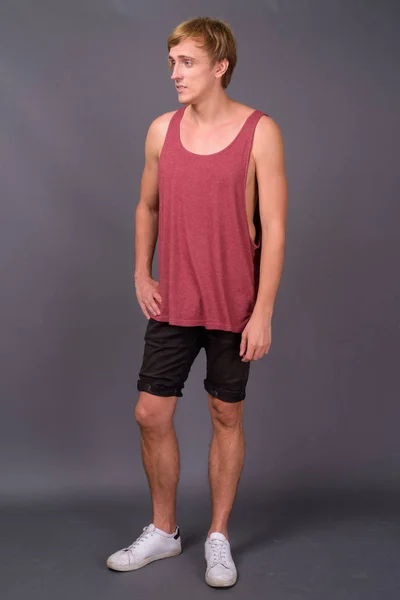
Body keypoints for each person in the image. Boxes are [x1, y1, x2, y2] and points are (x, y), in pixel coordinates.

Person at [106, 16, 287, 588]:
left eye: (186, 62)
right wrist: (141, 272)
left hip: (235, 304)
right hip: (176, 299)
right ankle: (164, 531)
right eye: (172, 63)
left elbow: (276, 229)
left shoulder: (261, 132)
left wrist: (263, 311)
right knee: (149, 413)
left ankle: (217, 537)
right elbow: (147, 207)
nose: (175, 73)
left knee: (223, 414)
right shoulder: (161, 130)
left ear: (220, 66)